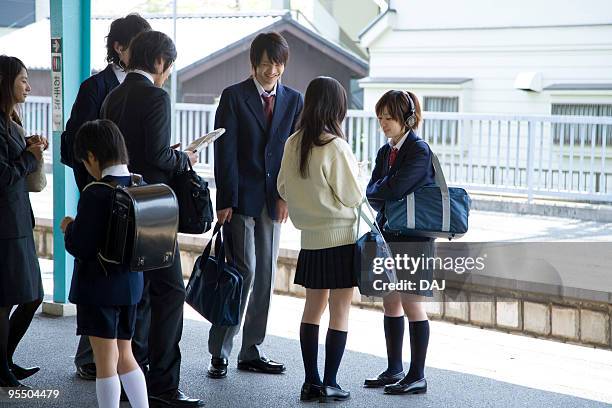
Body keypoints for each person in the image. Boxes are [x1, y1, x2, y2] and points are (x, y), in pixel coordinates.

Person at [101, 30, 203, 407]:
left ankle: (133, 378)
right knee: (171, 292)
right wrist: (185, 159)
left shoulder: (113, 96)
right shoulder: (156, 96)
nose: (167, 74)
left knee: (138, 296)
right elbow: (159, 157)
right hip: (153, 210)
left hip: (121, 205)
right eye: (168, 66)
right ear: (159, 61)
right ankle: (162, 383)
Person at [59, 13, 151, 381]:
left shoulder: (141, 85)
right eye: (137, 44)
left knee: (119, 274)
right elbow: (74, 143)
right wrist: (94, 187)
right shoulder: (94, 87)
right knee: (97, 268)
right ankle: (89, 356)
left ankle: (112, 357)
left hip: (125, 191)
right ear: (119, 47)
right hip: (99, 191)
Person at [209, 31, 303, 379]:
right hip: (240, 199)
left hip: (272, 199)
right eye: (266, 64)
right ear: (254, 64)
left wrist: (285, 196)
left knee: (264, 276)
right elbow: (225, 151)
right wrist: (225, 200)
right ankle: (219, 350)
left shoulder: (295, 100)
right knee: (241, 274)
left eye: (278, 65)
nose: (272, 71)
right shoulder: (233, 97)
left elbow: (294, 154)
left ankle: (251, 350)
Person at [277, 76, 363, 403]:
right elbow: (352, 196)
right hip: (340, 239)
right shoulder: (335, 146)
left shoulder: (293, 142)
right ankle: (330, 383)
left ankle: (310, 382)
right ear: (336, 107)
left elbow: (282, 188)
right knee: (340, 311)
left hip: (310, 241)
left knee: (312, 309)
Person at [60, 120, 148, 408]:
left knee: (105, 360)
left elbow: (81, 246)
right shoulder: (138, 184)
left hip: (99, 287)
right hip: (131, 287)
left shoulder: (96, 192)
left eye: (85, 161)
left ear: (93, 156)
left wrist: (69, 228)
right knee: (126, 354)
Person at [364, 90, 435, 395]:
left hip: (415, 238)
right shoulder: (385, 151)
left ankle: (417, 375)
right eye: (380, 117)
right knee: (390, 300)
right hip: (390, 234)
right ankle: (395, 368)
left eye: (389, 117)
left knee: (412, 303)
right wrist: (384, 188)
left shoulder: (419, 151)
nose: (383, 123)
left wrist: (384, 188)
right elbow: (373, 191)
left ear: (407, 119)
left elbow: (392, 189)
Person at [0, 55, 47, 390]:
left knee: (30, 296)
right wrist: (28, 156)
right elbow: (3, 175)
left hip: (17, 221)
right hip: (5, 226)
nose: (29, 87)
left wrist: (29, 149)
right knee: (6, 300)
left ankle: (5, 360)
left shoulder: (9, 120)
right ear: (6, 82)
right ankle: (2, 367)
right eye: (23, 80)